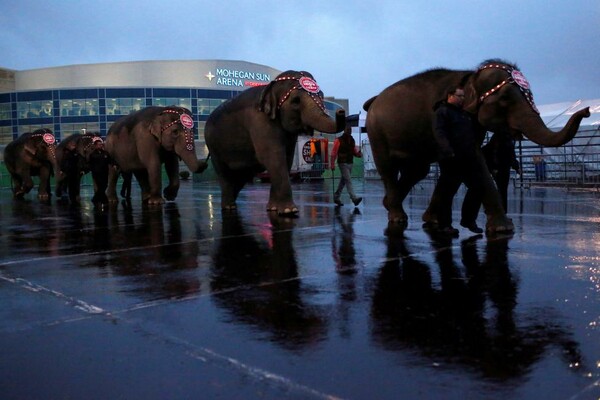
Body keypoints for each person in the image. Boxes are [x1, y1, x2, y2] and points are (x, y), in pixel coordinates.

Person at [430, 86, 486, 236]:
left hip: (467, 158)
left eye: (463, 96)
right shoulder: (442, 112)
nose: (462, 98)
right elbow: (439, 132)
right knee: (447, 193)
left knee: (478, 187)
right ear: (450, 95)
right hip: (451, 159)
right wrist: (448, 151)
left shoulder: (464, 114)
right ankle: (444, 224)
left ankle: (468, 219)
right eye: (460, 96)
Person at [461, 132, 521, 228]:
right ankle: (499, 213)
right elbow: (506, 154)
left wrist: (515, 166)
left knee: (500, 189)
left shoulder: (504, 138)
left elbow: (508, 154)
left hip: (501, 167)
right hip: (500, 167)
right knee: (500, 190)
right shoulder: (505, 139)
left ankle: (500, 213)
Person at [330, 124, 363, 206]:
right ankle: (354, 198)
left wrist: (358, 154)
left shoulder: (352, 140)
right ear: (344, 130)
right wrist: (332, 164)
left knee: (343, 181)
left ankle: (336, 197)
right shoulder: (338, 140)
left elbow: (354, 151)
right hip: (342, 163)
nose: (350, 130)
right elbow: (334, 153)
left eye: (350, 129)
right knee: (348, 180)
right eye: (348, 129)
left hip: (350, 162)